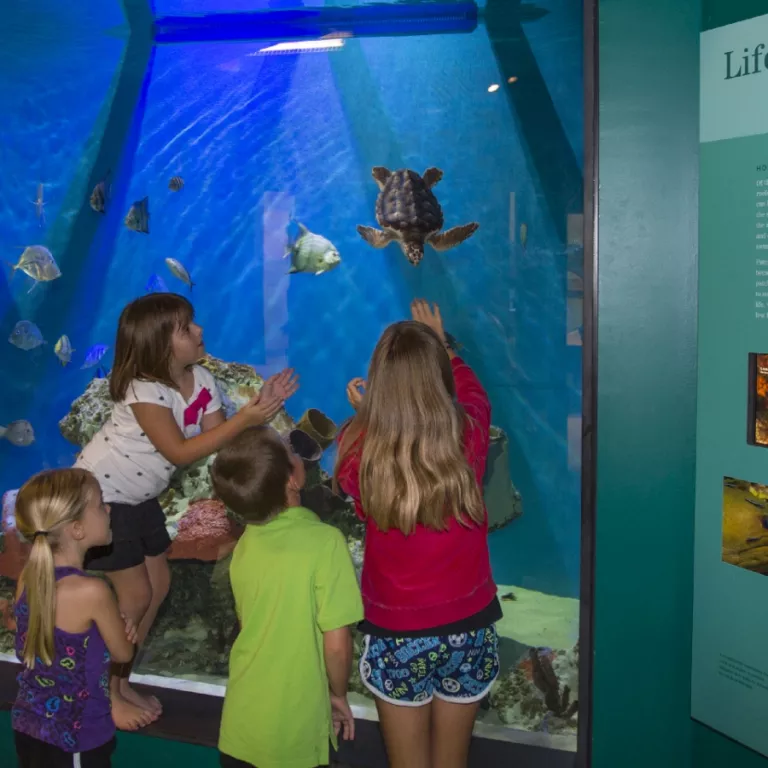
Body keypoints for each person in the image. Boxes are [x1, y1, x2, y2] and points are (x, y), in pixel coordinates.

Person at [74, 293, 299, 730]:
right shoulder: (144, 390)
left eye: (193, 322)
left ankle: (120, 678)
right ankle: (102, 692)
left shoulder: (203, 381)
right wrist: (248, 418)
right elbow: (178, 451)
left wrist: (262, 410)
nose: (198, 331)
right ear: (159, 344)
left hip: (139, 499)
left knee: (159, 584)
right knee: (135, 596)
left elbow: (222, 443)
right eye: (185, 327)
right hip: (98, 498)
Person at [334, 299, 501, 768]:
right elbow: (475, 397)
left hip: (397, 635)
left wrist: (367, 417)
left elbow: (378, 453)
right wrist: (447, 349)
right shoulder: (468, 436)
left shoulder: (356, 448)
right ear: (439, 381)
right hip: (470, 628)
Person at [210, 425, 363, 768]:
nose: (297, 454)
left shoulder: (245, 543)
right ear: (291, 481)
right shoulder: (325, 542)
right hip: (293, 733)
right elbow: (337, 644)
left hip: (240, 726)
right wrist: (337, 695)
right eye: (290, 451)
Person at [12, 468, 137, 768]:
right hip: (75, 737)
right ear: (77, 529)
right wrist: (124, 628)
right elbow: (123, 652)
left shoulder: (28, 577)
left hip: (28, 726)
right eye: (100, 504)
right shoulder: (93, 591)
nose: (108, 509)